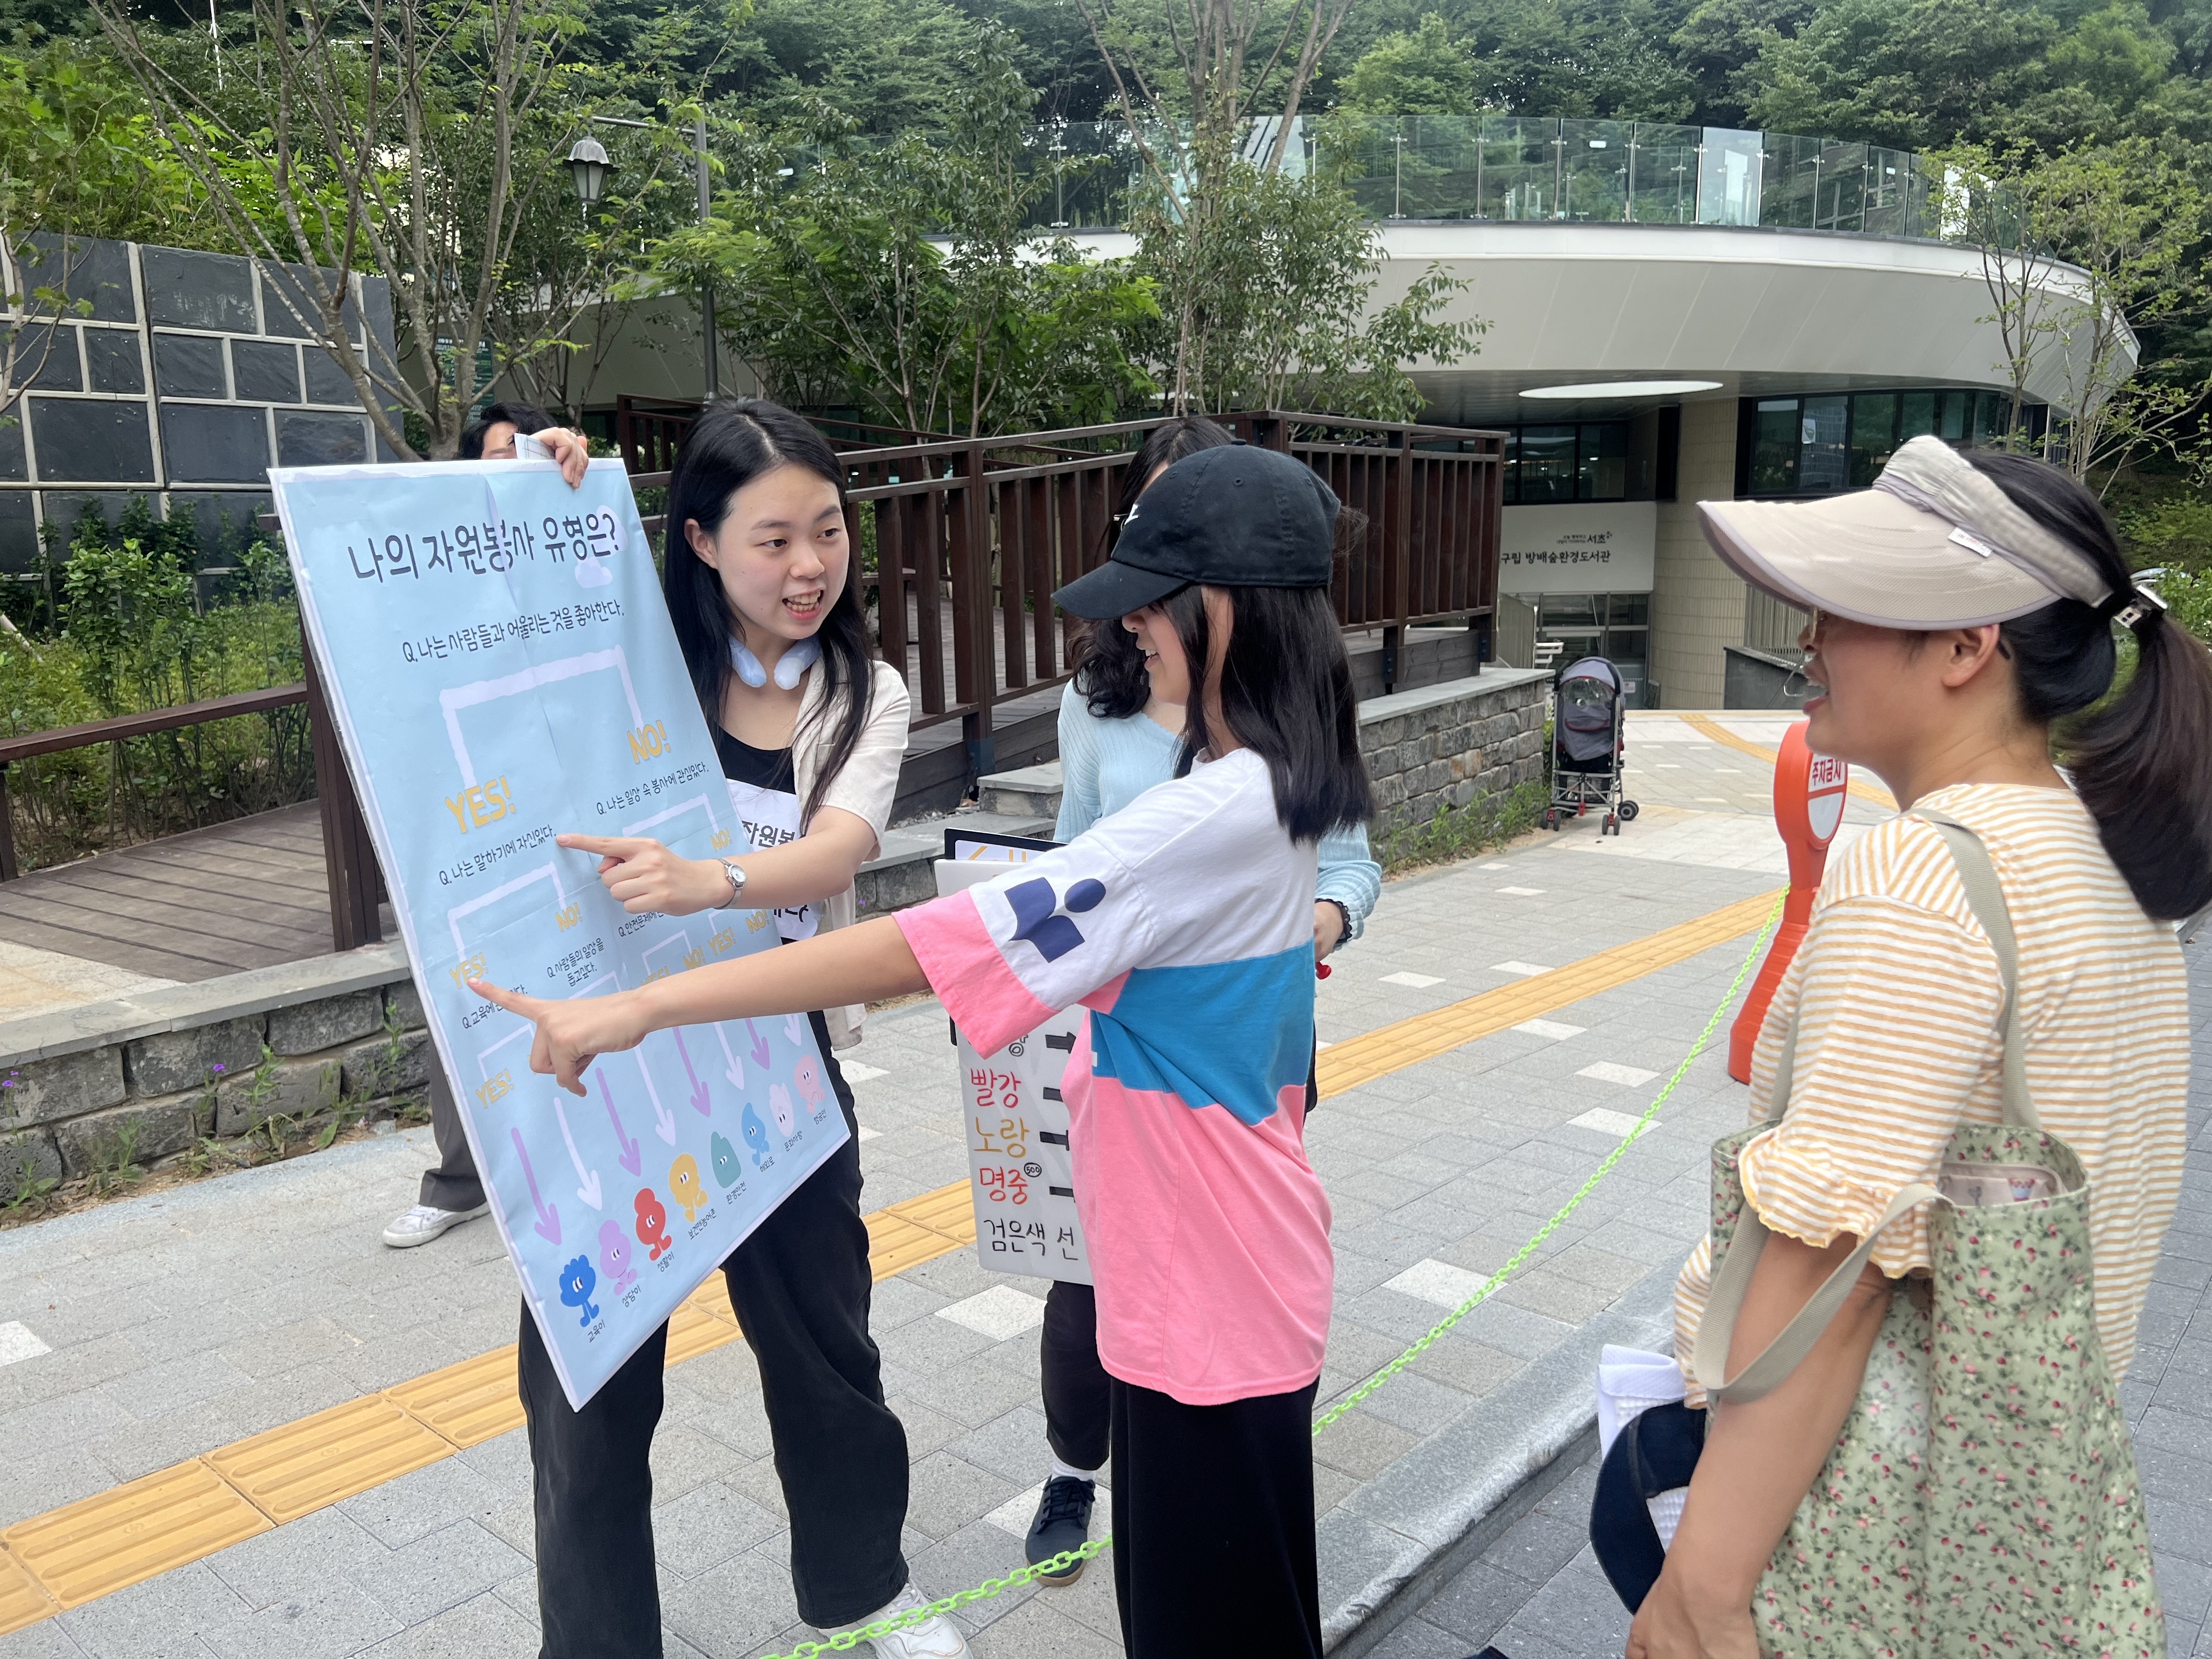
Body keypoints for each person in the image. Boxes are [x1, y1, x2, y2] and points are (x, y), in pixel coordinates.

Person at [475, 442, 1370, 1659]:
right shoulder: (1270, 779)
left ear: (1227, 608)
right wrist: (534, 499)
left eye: (1155, 602)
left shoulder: (1201, 815)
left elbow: (917, 948)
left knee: (1204, 1628)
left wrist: (641, 1010)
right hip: (1230, 1267)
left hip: (1203, 1294)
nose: (1135, 627)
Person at [1629, 437, 2209, 1658]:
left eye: (1841, 612)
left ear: (1965, 647)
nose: (1807, 644)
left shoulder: (1917, 874)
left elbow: (1830, 1272)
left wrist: (1701, 1596)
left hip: (1867, 1515)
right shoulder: (2107, 863)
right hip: (2024, 1502)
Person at [497, 399, 958, 1658]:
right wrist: (531, 482)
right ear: (699, 541)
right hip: (616, 1066)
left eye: (829, 532)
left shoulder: (863, 692)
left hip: (777, 1058)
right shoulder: (636, 664)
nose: (811, 567)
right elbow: (519, 631)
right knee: (585, 1384)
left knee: (824, 1348)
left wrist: (713, 881)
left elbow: (838, 851)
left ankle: (864, 1585)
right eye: (773, 540)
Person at [1023, 415, 1383, 1579]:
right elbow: (1071, 864)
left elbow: (1345, 865)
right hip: (1142, 1060)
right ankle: (1080, 1465)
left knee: (1207, 1329)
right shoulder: (1126, 716)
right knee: (1112, 1288)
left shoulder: (1248, 772)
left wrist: (1306, 922)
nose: (1137, 606)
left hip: (1231, 1064)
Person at [384, 406, 593, 1249]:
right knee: (466, 991)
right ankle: (462, 1180)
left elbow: (609, 598)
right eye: (499, 456)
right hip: (478, 812)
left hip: (577, 807)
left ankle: (592, 1140)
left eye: (529, 454)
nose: (513, 468)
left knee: (587, 979)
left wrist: (574, 476)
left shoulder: (571, 542)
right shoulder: (443, 564)